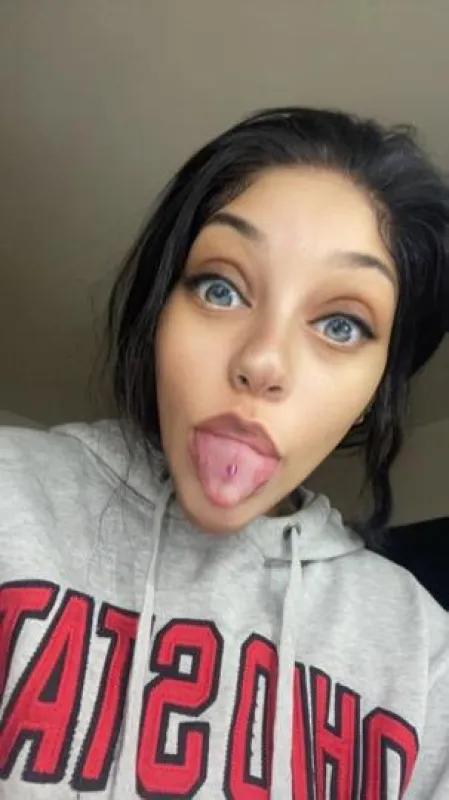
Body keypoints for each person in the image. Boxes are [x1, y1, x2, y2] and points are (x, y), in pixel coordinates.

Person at [0, 107, 448, 800]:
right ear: (159, 315)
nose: (262, 361)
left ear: (374, 391)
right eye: (220, 288)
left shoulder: (425, 657)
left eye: (341, 324)